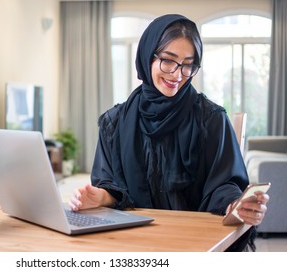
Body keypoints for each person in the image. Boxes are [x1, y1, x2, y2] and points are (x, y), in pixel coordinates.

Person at [69, 14, 269, 251]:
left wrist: (236, 205)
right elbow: (109, 184)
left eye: (188, 64)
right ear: (147, 57)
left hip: (193, 243)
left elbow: (224, 184)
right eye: (168, 60)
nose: (177, 74)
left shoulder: (211, 120)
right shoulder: (115, 122)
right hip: (133, 243)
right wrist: (101, 197)